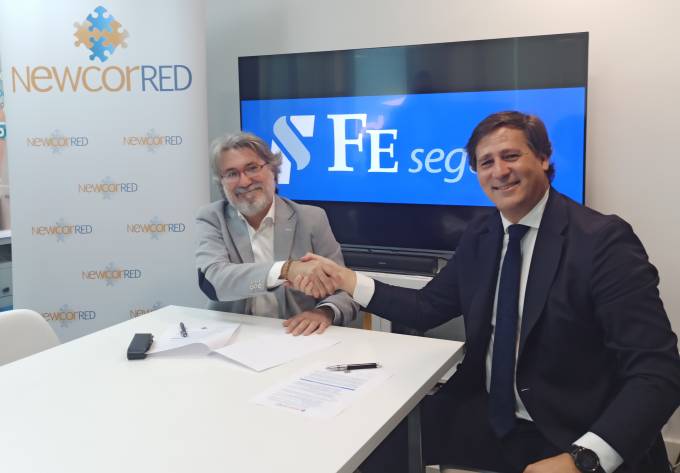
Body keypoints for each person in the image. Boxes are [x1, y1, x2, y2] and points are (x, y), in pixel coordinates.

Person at [291, 111, 680, 472]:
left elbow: (657, 371)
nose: (500, 171)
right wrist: (345, 280)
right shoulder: (482, 232)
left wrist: (585, 459)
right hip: (489, 412)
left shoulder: (602, 241)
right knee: (367, 445)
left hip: (572, 427)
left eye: (511, 156)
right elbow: (426, 307)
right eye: (486, 162)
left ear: (543, 158)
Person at [195, 132, 358, 335]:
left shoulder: (312, 218)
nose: (244, 181)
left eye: (252, 168)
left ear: (272, 169)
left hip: (293, 335)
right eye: (231, 174)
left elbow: (345, 289)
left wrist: (324, 312)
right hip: (233, 336)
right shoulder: (212, 217)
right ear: (221, 182)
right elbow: (215, 281)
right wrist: (286, 270)